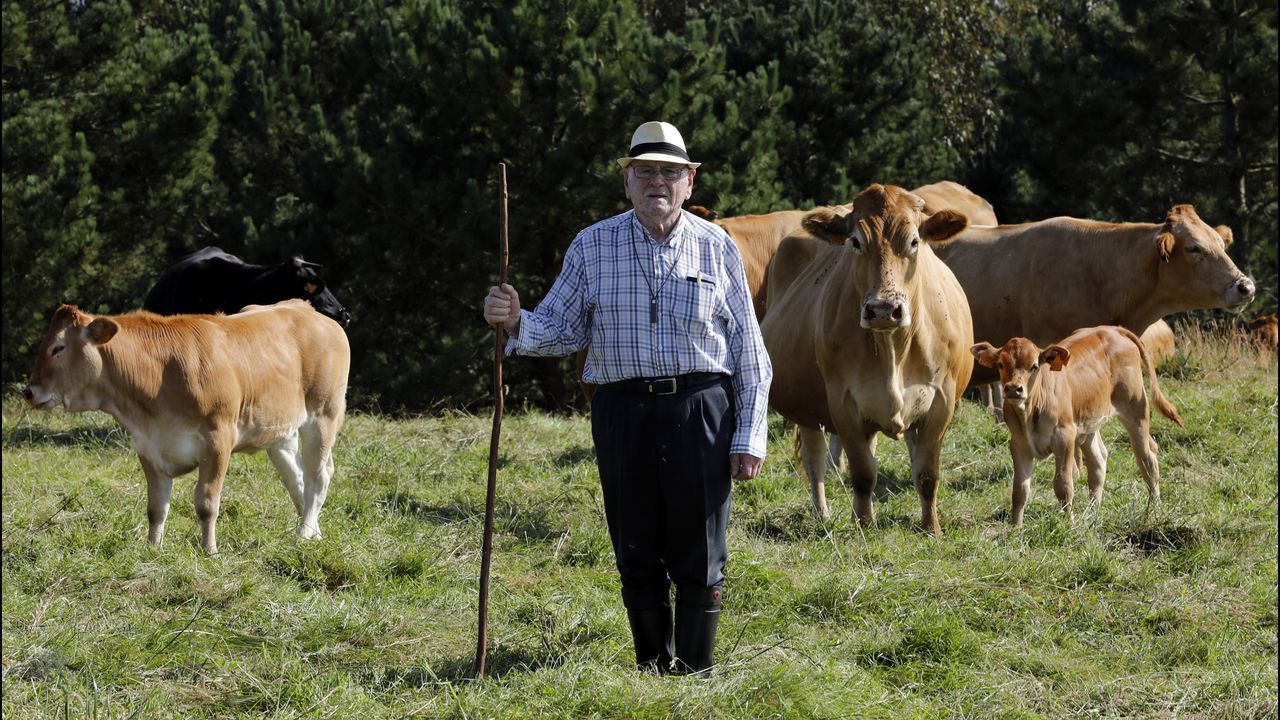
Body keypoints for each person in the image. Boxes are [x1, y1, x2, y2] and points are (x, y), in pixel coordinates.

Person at [482, 121, 772, 676]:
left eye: (669, 172)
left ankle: (694, 670)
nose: (656, 182)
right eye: (645, 171)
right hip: (621, 411)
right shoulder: (593, 245)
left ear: (689, 181)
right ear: (627, 181)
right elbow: (563, 329)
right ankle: (649, 667)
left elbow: (749, 352)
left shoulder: (717, 248)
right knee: (635, 543)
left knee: (699, 546)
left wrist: (748, 435)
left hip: (701, 408)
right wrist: (517, 318)